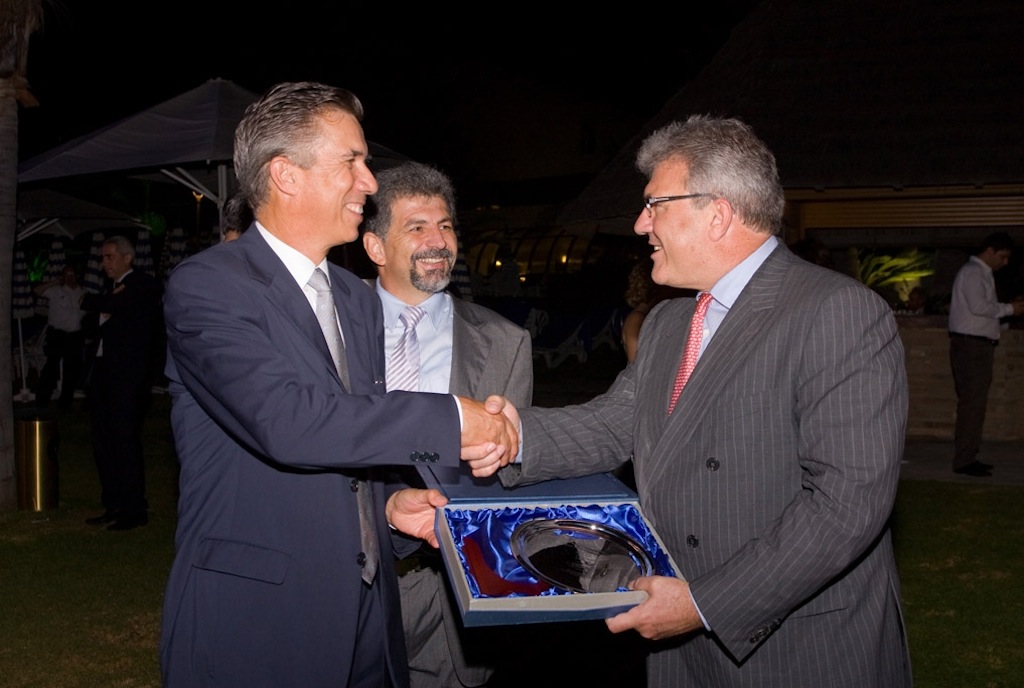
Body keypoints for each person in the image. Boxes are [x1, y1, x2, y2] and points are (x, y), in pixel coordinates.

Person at [490, 115, 912, 687]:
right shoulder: (669, 321)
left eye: (655, 204)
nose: (641, 224)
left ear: (717, 214)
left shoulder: (836, 311)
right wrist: (509, 436)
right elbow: (613, 425)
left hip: (791, 644)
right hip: (683, 645)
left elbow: (847, 504)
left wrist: (705, 604)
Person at [158, 81, 517, 688]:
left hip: (369, 622)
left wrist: (390, 507)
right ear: (286, 174)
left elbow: (354, 436)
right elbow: (290, 423)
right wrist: (454, 418)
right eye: (352, 161)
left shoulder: (354, 297)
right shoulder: (210, 286)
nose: (369, 182)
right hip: (260, 621)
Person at [362, 161, 533, 688]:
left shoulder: (505, 343)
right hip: (349, 587)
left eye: (446, 226)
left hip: (447, 603)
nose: (438, 241)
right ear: (375, 246)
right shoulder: (331, 330)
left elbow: (509, 480)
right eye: (417, 227)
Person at [79, 236, 162, 531]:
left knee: (125, 440)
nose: (105, 263)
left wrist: (98, 303)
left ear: (127, 257)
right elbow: (89, 322)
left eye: (110, 257)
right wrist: (105, 305)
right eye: (102, 258)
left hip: (127, 378)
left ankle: (134, 509)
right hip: (103, 375)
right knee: (103, 441)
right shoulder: (112, 290)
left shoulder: (141, 284)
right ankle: (113, 503)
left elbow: (98, 304)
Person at [947, 231, 1024, 477]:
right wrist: (1011, 309)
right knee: (972, 404)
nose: (1005, 262)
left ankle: (968, 456)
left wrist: (1002, 324)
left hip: (975, 345)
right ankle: (964, 460)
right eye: (1003, 256)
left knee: (974, 404)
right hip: (972, 347)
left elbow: (981, 312)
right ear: (990, 251)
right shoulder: (973, 272)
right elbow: (979, 306)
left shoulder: (981, 273)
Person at [33, 264, 86, 409]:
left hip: (75, 335)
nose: (69, 278)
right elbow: (37, 290)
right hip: (57, 334)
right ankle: (42, 401)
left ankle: (65, 402)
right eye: (66, 275)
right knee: (51, 367)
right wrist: (56, 281)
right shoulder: (56, 291)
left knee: (72, 369)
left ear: (77, 276)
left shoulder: (83, 293)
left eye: (72, 274)